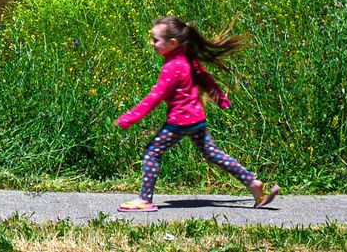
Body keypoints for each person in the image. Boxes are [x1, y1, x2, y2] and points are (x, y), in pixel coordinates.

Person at [113, 15, 278, 213]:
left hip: (178, 122)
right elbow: (205, 78)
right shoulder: (187, 60)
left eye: (156, 40)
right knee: (212, 154)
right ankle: (252, 183)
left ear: (172, 43)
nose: (152, 43)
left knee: (151, 152)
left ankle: (144, 200)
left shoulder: (171, 67)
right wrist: (220, 98)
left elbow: (154, 97)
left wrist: (129, 118)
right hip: (196, 120)